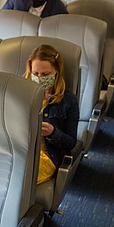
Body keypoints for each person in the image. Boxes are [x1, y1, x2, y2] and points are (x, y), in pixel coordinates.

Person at [24, 45, 79, 184]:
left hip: (46, 156)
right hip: (21, 151)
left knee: (21, 178)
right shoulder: (20, 94)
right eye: (35, 74)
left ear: (56, 72)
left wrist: (53, 133)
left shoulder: (68, 101)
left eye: (45, 74)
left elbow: (71, 142)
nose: (40, 78)